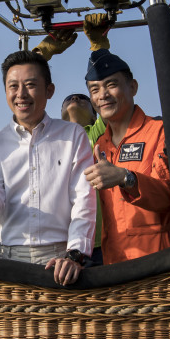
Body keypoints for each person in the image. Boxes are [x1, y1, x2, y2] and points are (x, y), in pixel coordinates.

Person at [0, 50, 96, 285]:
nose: (21, 94)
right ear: (6, 91)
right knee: (11, 323)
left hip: (60, 261)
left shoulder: (73, 135)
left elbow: (84, 200)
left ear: (49, 90)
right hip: (9, 259)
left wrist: (75, 254)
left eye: (30, 85)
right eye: (13, 86)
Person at [82, 49, 170, 264]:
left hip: (158, 262)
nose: (102, 95)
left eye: (111, 85)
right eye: (95, 90)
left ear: (132, 87)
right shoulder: (100, 145)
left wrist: (126, 178)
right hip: (115, 265)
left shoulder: (159, 132)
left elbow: (169, 196)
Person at [61, 92, 107, 264]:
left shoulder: (97, 134)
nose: (74, 99)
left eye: (83, 98)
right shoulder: (50, 142)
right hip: (64, 242)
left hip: (100, 240)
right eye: (68, 98)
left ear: (95, 114)